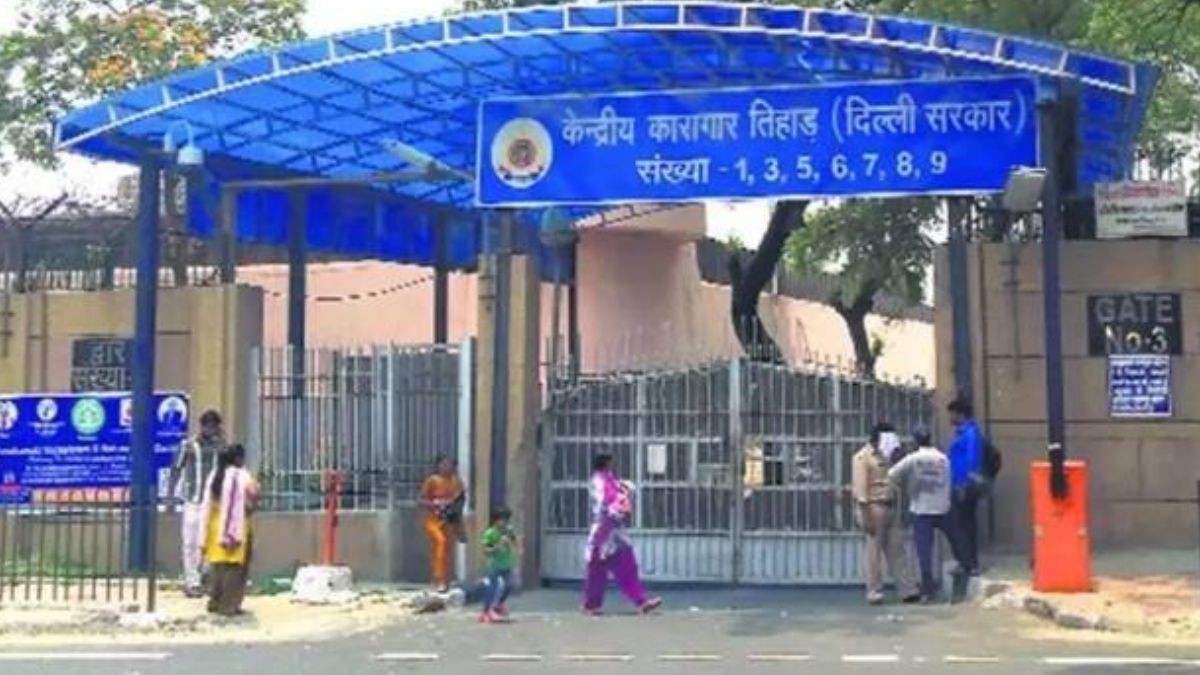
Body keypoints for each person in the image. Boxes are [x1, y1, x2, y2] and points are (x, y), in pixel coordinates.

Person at [889, 426, 969, 603]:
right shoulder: (943, 458)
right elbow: (949, 481)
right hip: (943, 507)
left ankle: (928, 591)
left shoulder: (913, 458)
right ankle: (964, 568)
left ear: (915, 441)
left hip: (921, 509)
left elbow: (892, 475)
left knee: (924, 553)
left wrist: (906, 488)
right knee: (956, 539)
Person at [582, 453, 661, 616]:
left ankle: (641, 601)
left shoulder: (609, 479)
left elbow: (617, 495)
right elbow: (604, 502)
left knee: (627, 565)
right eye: (610, 462)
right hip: (603, 530)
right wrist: (616, 506)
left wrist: (624, 491)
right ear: (606, 463)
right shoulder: (599, 481)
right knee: (597, 570)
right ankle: (591, 605)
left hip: (615, 531)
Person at [852, 423, 920, 605]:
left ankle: (908, 590)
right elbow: (860, 489)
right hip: (873, 507)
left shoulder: (889, 454)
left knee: (898, 549)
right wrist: (865, 516)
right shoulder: (863, 457)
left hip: (891, 506)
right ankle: (874, 592)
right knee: (874, 553)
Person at [198, 444, 260, 617]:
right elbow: (253, 492)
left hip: (215, 526)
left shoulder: (214, 475)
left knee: (218, 567)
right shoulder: (241, 475)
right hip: (236, 527)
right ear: (239, 458)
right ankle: (229, 607)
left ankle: (215, 602)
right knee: (235, 569)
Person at [170, 409, 225, 598]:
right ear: (202, 427)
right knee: (190, 541)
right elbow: (175, 469)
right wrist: (170, 497)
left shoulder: (221, 447)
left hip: (214, 501)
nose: (211, 430)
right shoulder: (188, 445)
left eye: (214, 426)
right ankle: (192, 581)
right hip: (193, 499)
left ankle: (205, 578)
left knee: (211, 540)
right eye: (208, 426)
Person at [947, 398, 985, 576]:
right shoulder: (962, 433)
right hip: (958, 484)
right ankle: (966, 562)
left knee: (964, 525)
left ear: (960, 414)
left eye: (952, 414)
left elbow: (971, 461)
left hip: (964, 486)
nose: (950, 417)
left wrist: (965, 485)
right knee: (963, 524)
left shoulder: (970, 434)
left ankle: (969, 563)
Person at [419, 456, 466, 592]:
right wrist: (435, 504)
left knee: (448, 549)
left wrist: (459, 525)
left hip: (449, 519)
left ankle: (446, 580)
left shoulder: (456, 481)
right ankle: (438, 579)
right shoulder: (432, 480)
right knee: (440, 542)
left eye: (449, 464)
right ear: (438, 465)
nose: (446, 466)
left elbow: (460, 501)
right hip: (433, 519)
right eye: (443, 464)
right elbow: (421, 500)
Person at [479, 506, 519, 623]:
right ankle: (486, 612)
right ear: (496, 520)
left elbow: (514, 540)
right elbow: (486, 550)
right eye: (503, 520)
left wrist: (516, 545)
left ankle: (498, 605)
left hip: (506, 563)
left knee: (510, 585)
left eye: (507, 520)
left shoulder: (507, 531)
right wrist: (498, 546)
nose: (505, 523)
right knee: (493, 588)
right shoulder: (490, 533)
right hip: (494, 565)